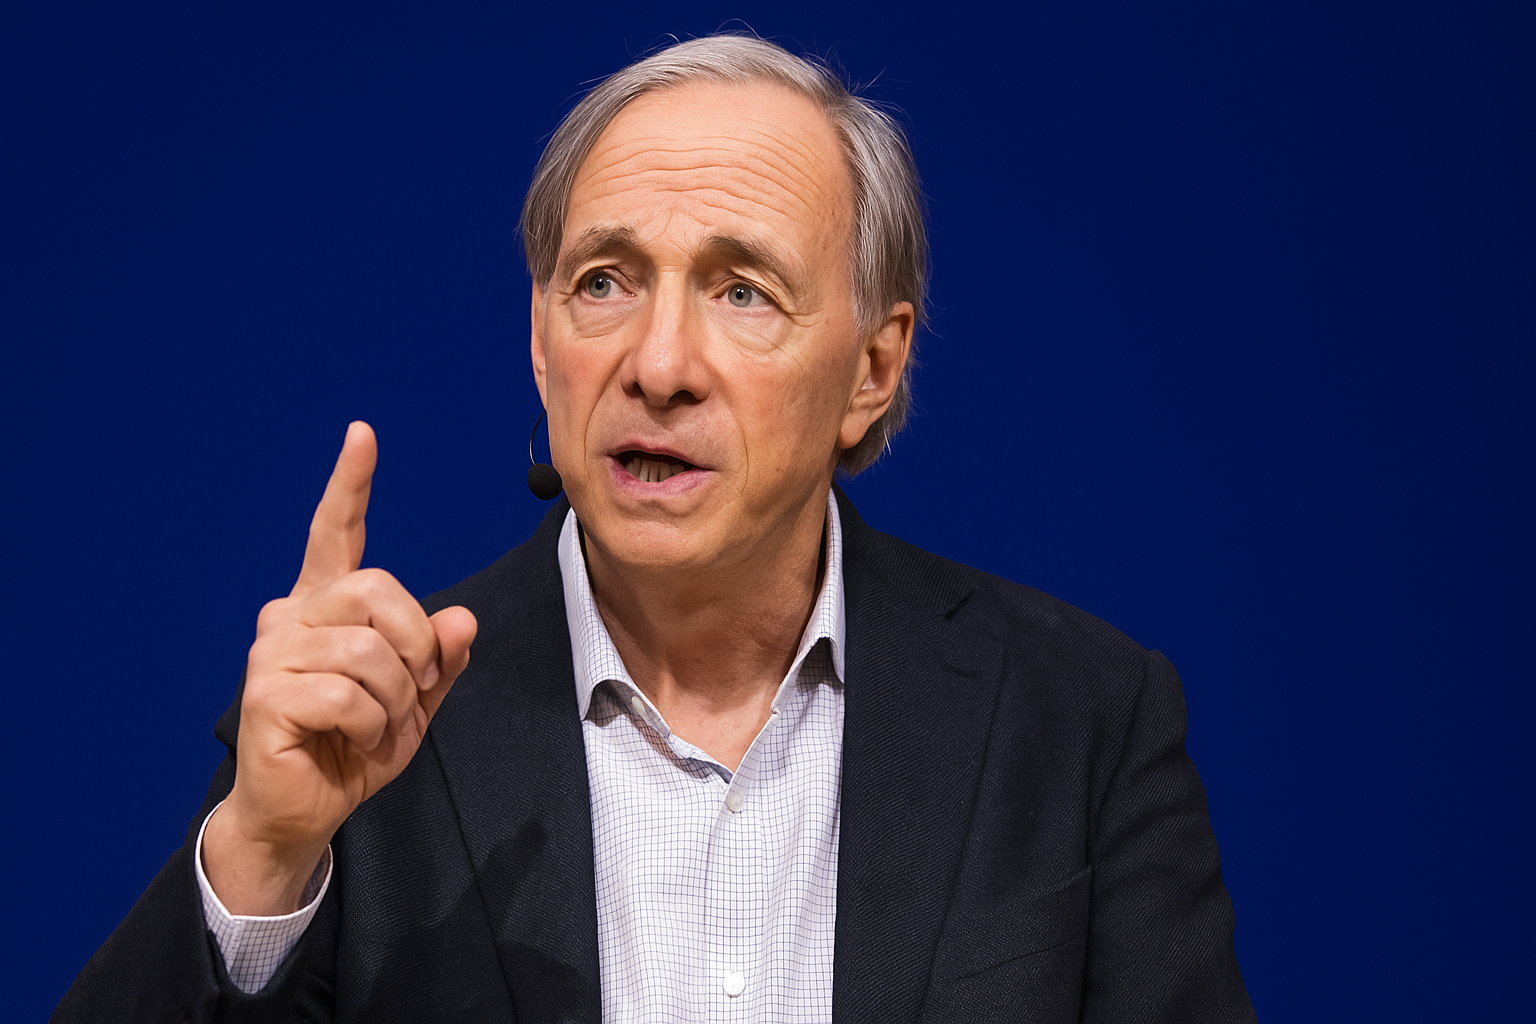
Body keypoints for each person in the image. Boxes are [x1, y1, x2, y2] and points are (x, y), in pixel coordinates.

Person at [56, 34, 1254, 1023]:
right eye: (605, 282)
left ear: (873, 369)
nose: (659, 363)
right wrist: (261, 858)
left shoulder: (1083, 721)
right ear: (542, 344)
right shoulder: (360, 726)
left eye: (742, 291)